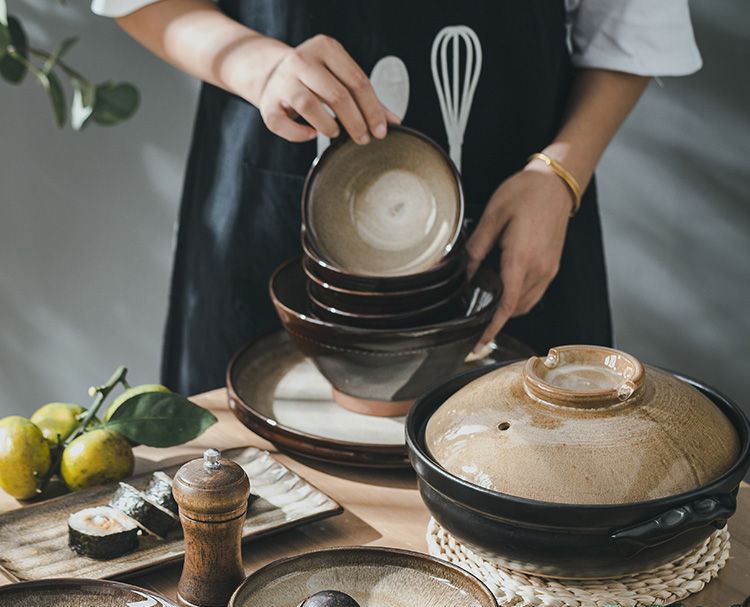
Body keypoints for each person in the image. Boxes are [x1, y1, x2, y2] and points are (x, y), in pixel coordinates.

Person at [93, 0, 701, 396]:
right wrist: (261, 66)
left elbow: (631, 28)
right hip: (273, 206)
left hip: (518, 207)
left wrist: (558, 175)